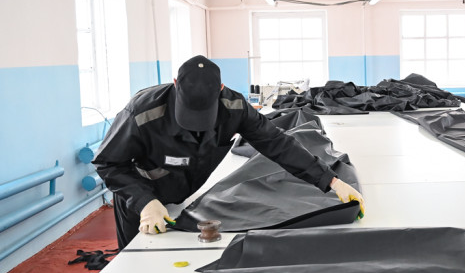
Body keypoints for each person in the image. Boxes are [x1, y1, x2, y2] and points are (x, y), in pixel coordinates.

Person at [93, 55, 364, 249]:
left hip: (182, 195)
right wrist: (144, 201)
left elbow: (277, 143)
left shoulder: (235, 107)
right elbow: (108, 163)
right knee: (137, 259)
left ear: (221, 90)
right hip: (139, 197)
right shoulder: (141, 113)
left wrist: (331, 180)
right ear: (175, 83)